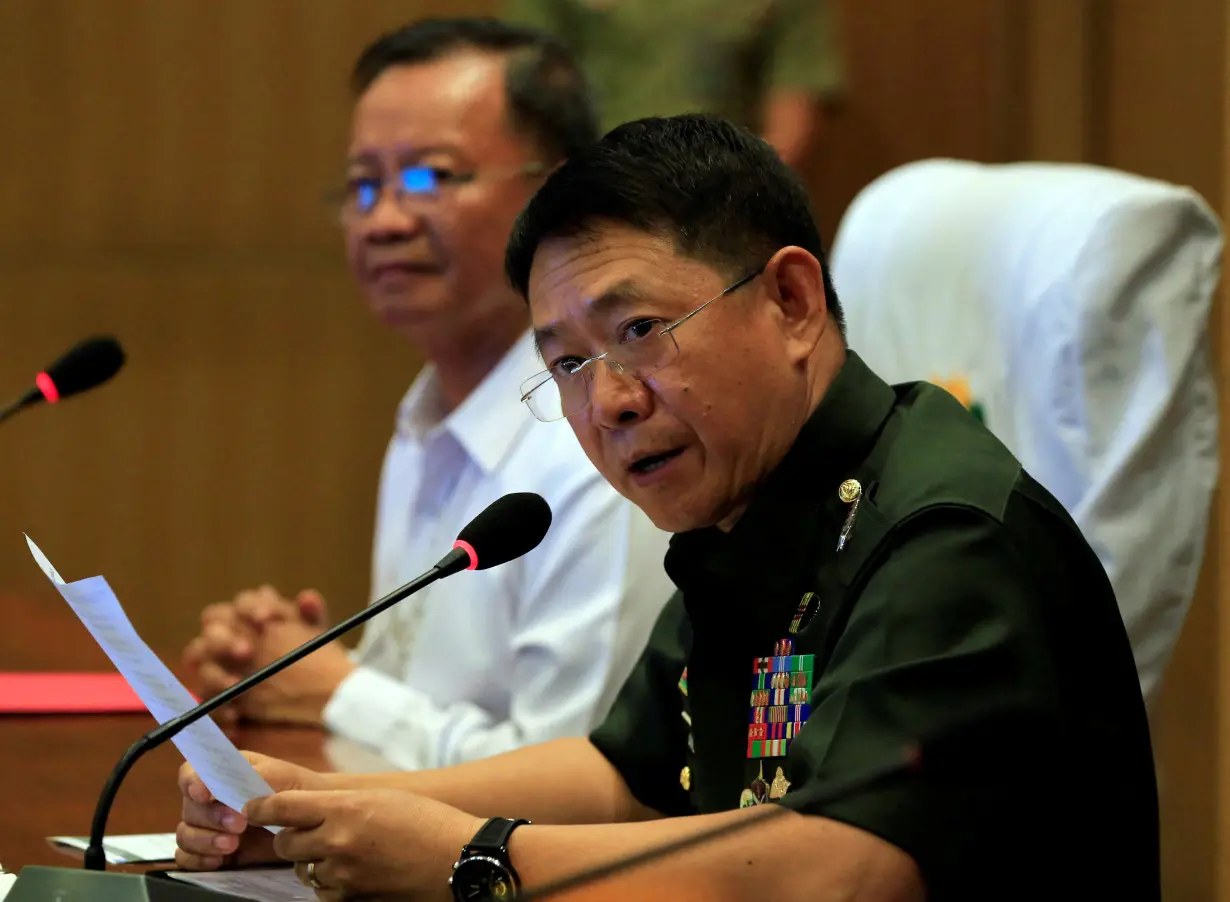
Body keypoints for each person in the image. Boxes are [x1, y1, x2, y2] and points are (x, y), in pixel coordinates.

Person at [173, 115, 1159, 901]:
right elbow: (628, 777)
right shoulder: (748, 502)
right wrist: (316, 802)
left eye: (641, 330)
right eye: (565, 362)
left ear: (791, 300)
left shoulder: (947, 535)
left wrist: (472, 857)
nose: (607, 401)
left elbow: (843, 873)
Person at [180, 18, 674, 771]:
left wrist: (338, 691)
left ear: (561, 193)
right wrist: (283, 669)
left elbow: (579, 776)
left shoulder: (603, 443)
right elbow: (432, 706)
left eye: (427, 177)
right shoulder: (424, 419)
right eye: (362, 186)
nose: (383, 220)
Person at [503, 0, 843, 168]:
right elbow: (525, 96)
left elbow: (794, 117)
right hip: (583, 190)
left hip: (722, 200)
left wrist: (734, 198)